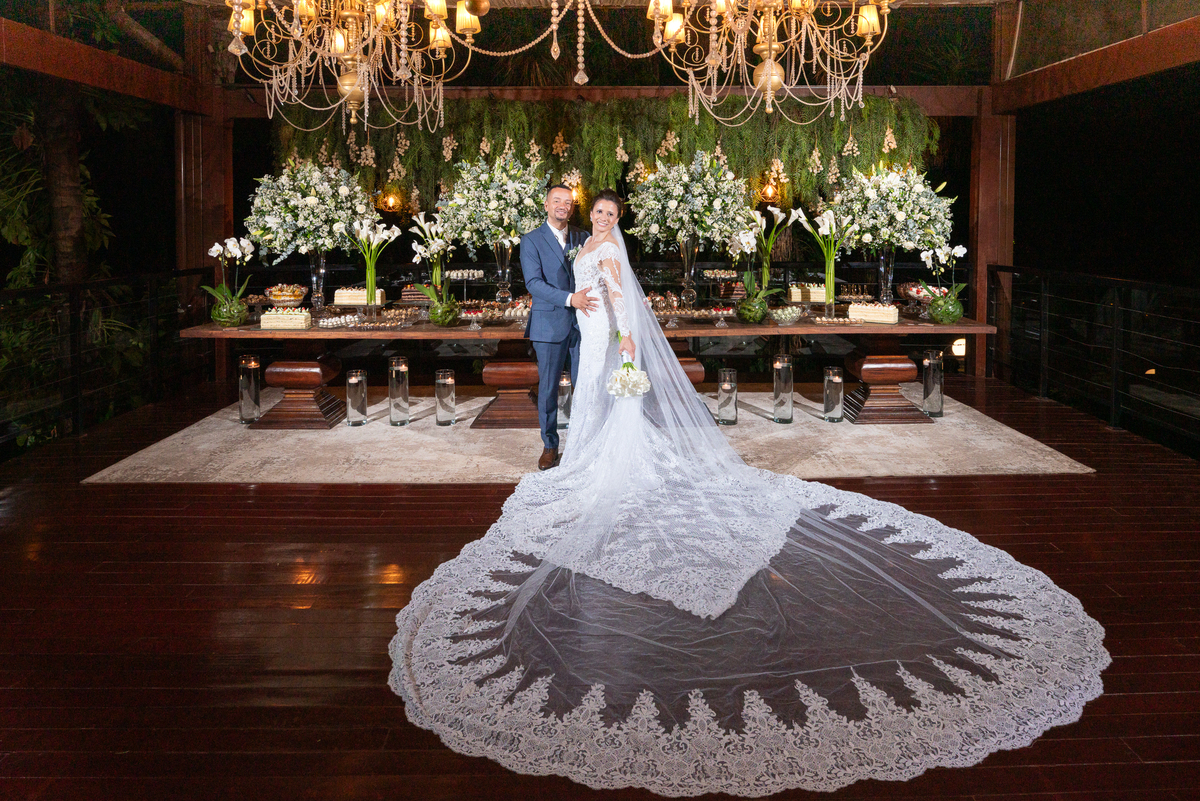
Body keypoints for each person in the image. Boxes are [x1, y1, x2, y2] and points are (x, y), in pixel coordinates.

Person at [389, 189, 1110, 796]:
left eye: (605, 212)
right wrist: (590, 307)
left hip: (606, 334)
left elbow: (622, 302)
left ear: (611, 217)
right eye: (592, 211)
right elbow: (562, 286)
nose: (598, 218)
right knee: (583, 402)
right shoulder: (572, 243)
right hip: (577, 325)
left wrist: (627, 340)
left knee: (607, 402)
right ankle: (574, 452)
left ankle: (598, 459)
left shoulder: (604, 247)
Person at [520, 184, 596, 471]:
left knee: (585, 385)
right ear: (546, 205)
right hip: (549, 322)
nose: (563, 206)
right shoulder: (531, 240)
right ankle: (550, 446)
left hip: (585, 323)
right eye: (557, 201)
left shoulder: (583, 236)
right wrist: (570, 299)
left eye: (568, 202)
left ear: (572, 208)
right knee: (549, 388)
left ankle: (582, 444)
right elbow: (533, 283)